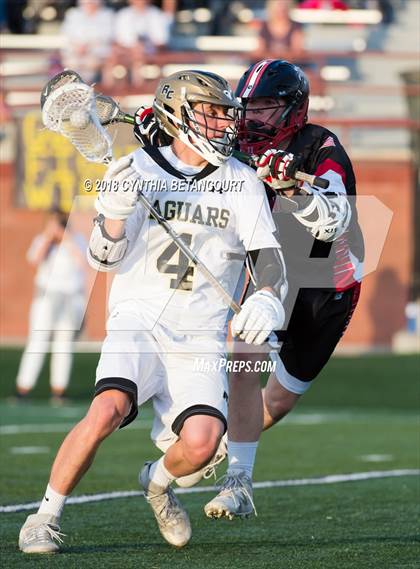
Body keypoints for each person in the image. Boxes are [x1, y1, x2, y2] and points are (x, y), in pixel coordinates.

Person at [18, 69, 287, 553]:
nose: (224, 123)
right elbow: (103, 258)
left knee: (203, 444)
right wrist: (115, 215)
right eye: (212, 112)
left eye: (226, 113)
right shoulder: (137, 168)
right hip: (138, 318)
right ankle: (44, 516)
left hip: (202, 331)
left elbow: (267, 257)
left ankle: (157, 484)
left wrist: (266, 295)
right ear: (179, 115)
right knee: (107, 409)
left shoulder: (240, 179)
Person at [203, 59, 364, 518]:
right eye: (249, 107)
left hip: (324, 285)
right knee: (243, 360)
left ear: (294, 108)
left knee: (280, 398)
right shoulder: (233, 146)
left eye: (267, 107)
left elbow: (334, 223)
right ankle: (238, 480)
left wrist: (293, 187)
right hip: (269, 276)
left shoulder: (321, 147)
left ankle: (229, 444)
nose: (252, 117)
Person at [14, 208, 87, 404]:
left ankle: (59, 390)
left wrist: (67, 238)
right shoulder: (42, 240)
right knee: (37, 341)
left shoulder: (77, 239)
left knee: (63, 345)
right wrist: (48, 237)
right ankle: (23, 388)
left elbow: (83, 263)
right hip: (47, 297)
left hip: (71, 298)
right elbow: (35, 259)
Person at [104, 0, 173, 87]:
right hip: (126, 51)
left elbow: (161, 41)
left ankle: (138, 88)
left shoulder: (156, 15)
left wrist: (142, 47)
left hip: (150, 51)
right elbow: (119, 40)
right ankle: (109, 90)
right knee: (112, 56)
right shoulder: (123, 14)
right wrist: (132, 47)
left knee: (138, 55)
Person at [60, 0, 114, 84]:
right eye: (87, 3)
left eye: (92, 3)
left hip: (98, 53)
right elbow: (66, 35)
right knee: (72, 63)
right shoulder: (73, 14)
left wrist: (88, 47)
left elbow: (107, 37)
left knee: (91, 63)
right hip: (75, 52)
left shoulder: (107, 15)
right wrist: (78, 47)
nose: (89, 5)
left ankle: (88, 89)